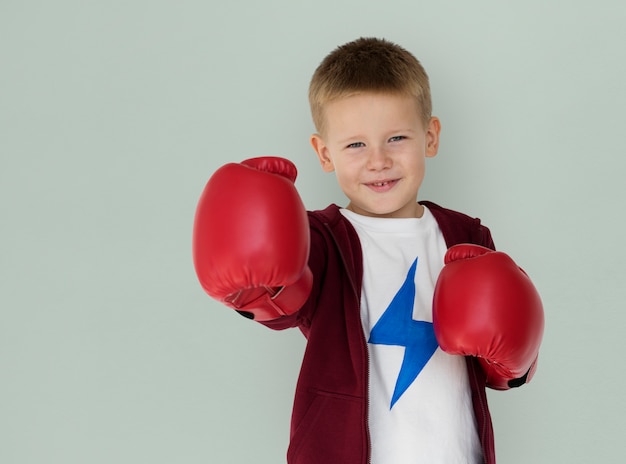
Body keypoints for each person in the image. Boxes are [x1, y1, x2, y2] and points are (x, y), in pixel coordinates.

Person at [192, 37, 544, 464]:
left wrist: (514, 361)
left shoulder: (465, 236)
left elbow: (502, 363)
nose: (378, 160)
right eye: (355, 145)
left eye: (396, 137)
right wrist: (253, 288)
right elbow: (284, 302)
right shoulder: (321, 238)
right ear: (325, 154)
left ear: (430, 137)